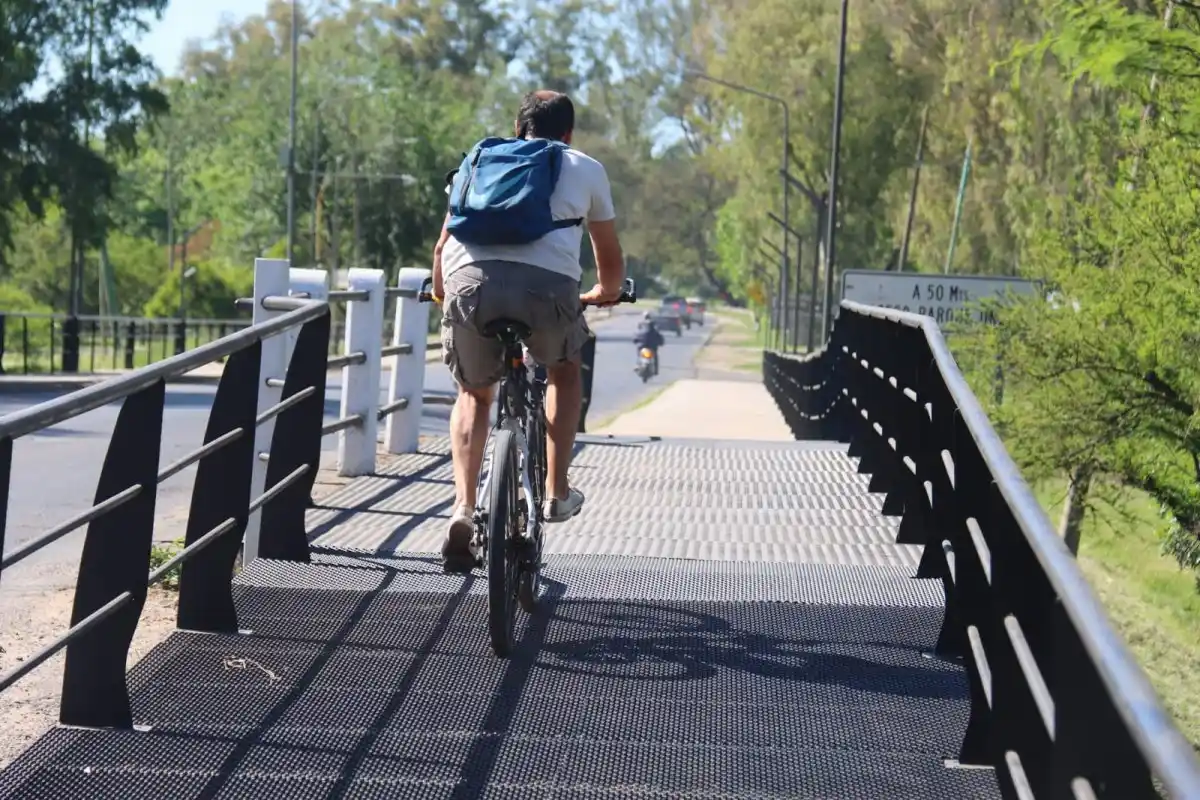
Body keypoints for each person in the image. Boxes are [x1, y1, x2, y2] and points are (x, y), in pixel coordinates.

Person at [431, 89, 626, 572]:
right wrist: (606, 292)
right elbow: (609, 257)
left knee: (474, 394)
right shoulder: (584, 166)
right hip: (547, 292)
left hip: (469, 285)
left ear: (519, 128)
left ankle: (461, 508)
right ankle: (556, 492)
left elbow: (442, 248)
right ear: (568, 133)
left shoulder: (478, 160)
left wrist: (441, 292)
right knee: (563, 371)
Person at [633, 311, 664, 375]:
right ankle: (656, 370)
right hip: (651, 345)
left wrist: (635, 340)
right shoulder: (654, 324)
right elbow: (658, 335)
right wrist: (660, 342)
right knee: (655, 356)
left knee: (639, 353)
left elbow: (637, 335)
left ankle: (637, 365)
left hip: (643, 345)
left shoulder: (641, 324)